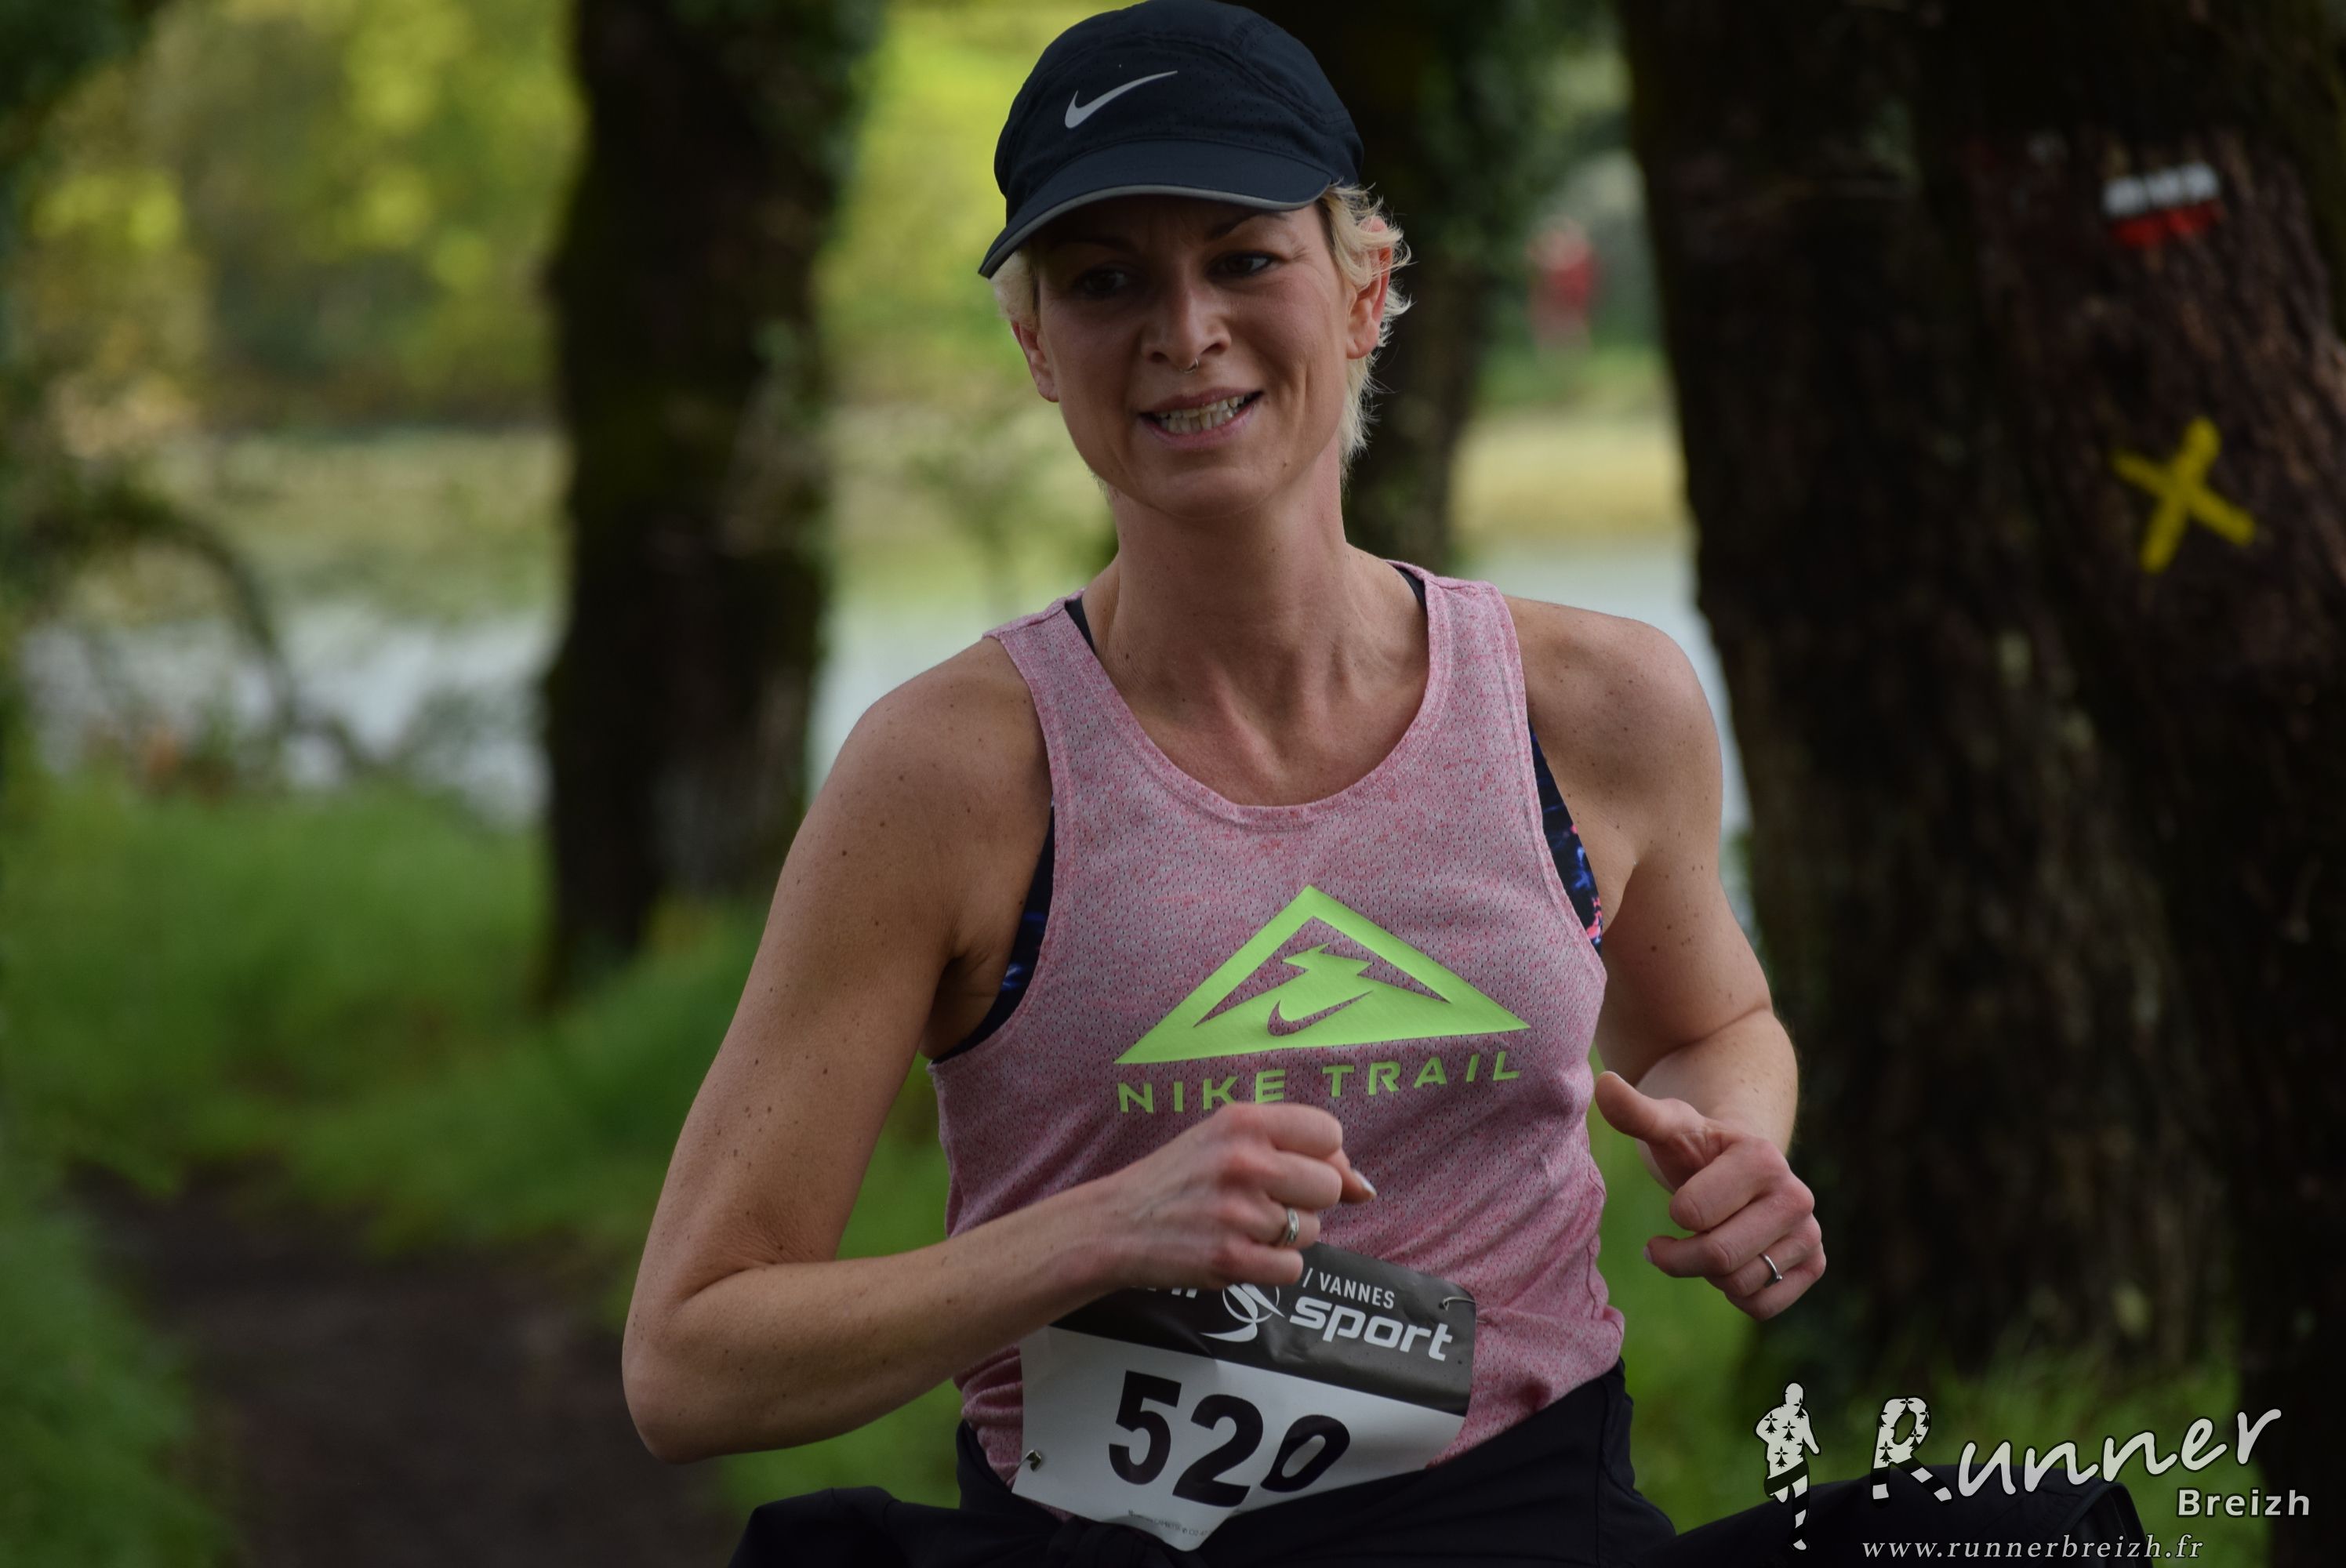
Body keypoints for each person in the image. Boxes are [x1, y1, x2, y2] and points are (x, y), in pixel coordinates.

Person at [622, 3, 2144, 1563]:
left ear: (1362, 290)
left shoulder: (1590, 705)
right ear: (1035, 347)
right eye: (1104, 282)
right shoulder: (948, 773)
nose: (1183, 329)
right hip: (1115, 1544)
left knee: (2044, 1541)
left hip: (1528, 1525)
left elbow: (1709, 1026)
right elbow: (689, 1358)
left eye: (1243, 259)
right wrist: (1101, 1232)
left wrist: (1737, 1143)